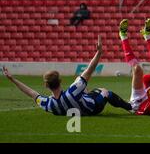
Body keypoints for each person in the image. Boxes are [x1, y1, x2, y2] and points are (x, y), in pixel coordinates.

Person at [2, 36, 131, 116]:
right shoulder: (72, 91)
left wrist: (13, 79)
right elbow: (89, 70)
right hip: (92, 108)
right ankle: (130, 107)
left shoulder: (49, 104)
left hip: (76, 106)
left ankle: (88, 95)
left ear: (46, 85)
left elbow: (31, 93)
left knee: (80, 84)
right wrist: (99, 53)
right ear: (60, 80)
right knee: (104, 91)